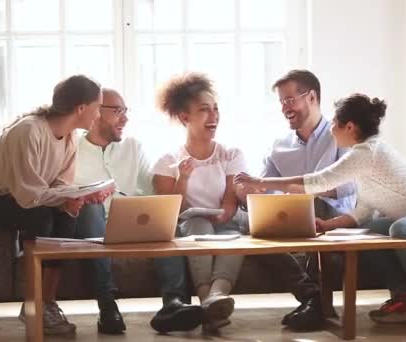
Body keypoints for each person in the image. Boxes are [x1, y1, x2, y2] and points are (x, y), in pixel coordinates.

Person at [234, 93, 406, 334]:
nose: (330, 129)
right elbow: (362, 213)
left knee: (402, 228)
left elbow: (318, 182)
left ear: (349, 127)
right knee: (369, 235)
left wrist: (261, 181)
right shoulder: (364, 159)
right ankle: (405, 300)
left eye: (334, 123)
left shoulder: (367, 153)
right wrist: (328, 225)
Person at [0, 75, 112, 335]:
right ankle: (33, 305)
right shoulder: (29, 131)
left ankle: (46, 302)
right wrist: (69, 196)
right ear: (81, 108)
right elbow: (29, 197)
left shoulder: (70, 138)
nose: (99, 115)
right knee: (40, 216)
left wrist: (76, 199)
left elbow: (59, 188)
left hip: (15, 196)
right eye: (98, 107)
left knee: (67, 215)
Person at [73, 88, 203, 334]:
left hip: (130, 225)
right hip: (92, 228)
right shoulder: (71, 148)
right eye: (118, 111)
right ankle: (107, 306)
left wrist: (179, 183)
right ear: (94, 113)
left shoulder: (133, 147)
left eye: (126, 111)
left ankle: (174, 304)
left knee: (165, 220)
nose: (125, 118)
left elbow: (153, 194)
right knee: (91, 211)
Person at [236, 70, 356, 331]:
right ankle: (311, 296)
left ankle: (314, 303)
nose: (284, 108)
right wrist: (247, 194)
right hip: (297, 216)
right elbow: (265, 190)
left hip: (335, 219)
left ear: (311, 97)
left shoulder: (340, 135)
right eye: (281, 102)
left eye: (290, 100)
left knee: (310, 205)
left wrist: (303, 191)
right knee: (251, 223)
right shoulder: (279, 146)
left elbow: (350, 186)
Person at [152, 73, 247, 333]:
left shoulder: (231, 153)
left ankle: (213, 298)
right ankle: (211, 303)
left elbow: (230, 199)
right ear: (185, 117)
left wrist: (225, 214)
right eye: (204, 110)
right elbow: (171, 211)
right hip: (193, 225)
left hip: (226, 221)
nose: (213, 116)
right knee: (198, 226)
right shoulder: (167, 160)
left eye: (216, 109)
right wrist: (182, 177)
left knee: (235, 237)